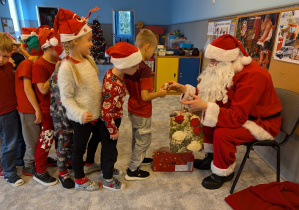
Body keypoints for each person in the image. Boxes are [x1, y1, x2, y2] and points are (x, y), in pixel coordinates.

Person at [168, 34, 282, 190]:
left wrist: (206, 107)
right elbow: (212, 96)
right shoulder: (227, 70)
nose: (211, 64)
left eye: (215, 60)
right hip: (243, 114)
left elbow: (238, 116)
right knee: (207, 119)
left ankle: (224, 172)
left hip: (262, 123)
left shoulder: (253, 76)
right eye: (211, 59)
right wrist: (185, 89)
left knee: (223, 132)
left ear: (229, 59)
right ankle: (212, 156)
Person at [54, 7, 103, 191]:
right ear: (74, 42)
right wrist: (80, 114)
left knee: (97, 138)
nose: (92, 44)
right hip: (81, 118)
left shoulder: (88, 60)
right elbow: (67, 99)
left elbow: (92, 87)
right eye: (89, 40)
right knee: (78, 149)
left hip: (95, 113)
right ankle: (80, 179)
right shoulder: (66, 68)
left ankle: (90, 164)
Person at [98, 42, 142, 190]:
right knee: (110, 151)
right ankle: (108, 179)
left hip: (111, 117)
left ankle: (107, 171)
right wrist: (113, 130)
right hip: (110, 120)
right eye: (134, 65)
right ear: (124, 65)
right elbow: (105, 113)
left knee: (109, 149)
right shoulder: (115, 85)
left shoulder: (112, 71)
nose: (137, 68)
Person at [124, 29, 167, 181]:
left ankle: (138, 159)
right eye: (154, 50)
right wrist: (160, 94)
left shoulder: (130, 64)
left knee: (137, 137)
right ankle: (133, 170)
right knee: (144, 140)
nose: (153, 53)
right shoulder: (145, 69)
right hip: (142, 111)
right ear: (148, 46)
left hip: (132, 108)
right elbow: (146, 96)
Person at [32, 28, 59, 186]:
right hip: (47, 110)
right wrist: (55, 73)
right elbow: (42, 88)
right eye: (59, 46)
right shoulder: (39, 65)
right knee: (46, 140)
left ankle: (60, 160)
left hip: (57, 109)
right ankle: (40, 171)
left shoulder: (55, 62)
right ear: (49, 47)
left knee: (59, 138)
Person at [15, 33, 44, 177]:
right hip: (28, 109)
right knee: (32, 138)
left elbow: (31, 57)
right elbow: (27, 89)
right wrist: (37, 109)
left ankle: (36, 160)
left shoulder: (30, 61)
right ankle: (28, 165)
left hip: (31, 107)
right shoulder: (27, 65)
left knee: (36, 136)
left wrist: (22, 50)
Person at [49, 37, 76, 189]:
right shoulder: (61, 73)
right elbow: (60, 101)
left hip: (70, 115)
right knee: (63, 144)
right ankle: (62, 172)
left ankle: (71, 162)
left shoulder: (70, 68)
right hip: (61, 116)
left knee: (71, 141)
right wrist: (66, 122)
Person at [0, 32, 24, 186]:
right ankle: (7, 171)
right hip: (4, 112)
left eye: (6, 56)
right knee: (8, 142)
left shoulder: (9, 64)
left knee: (12, 141)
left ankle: (13, 166)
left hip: (10, 110)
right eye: (1, 56)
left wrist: (19, 49)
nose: (2, 60)